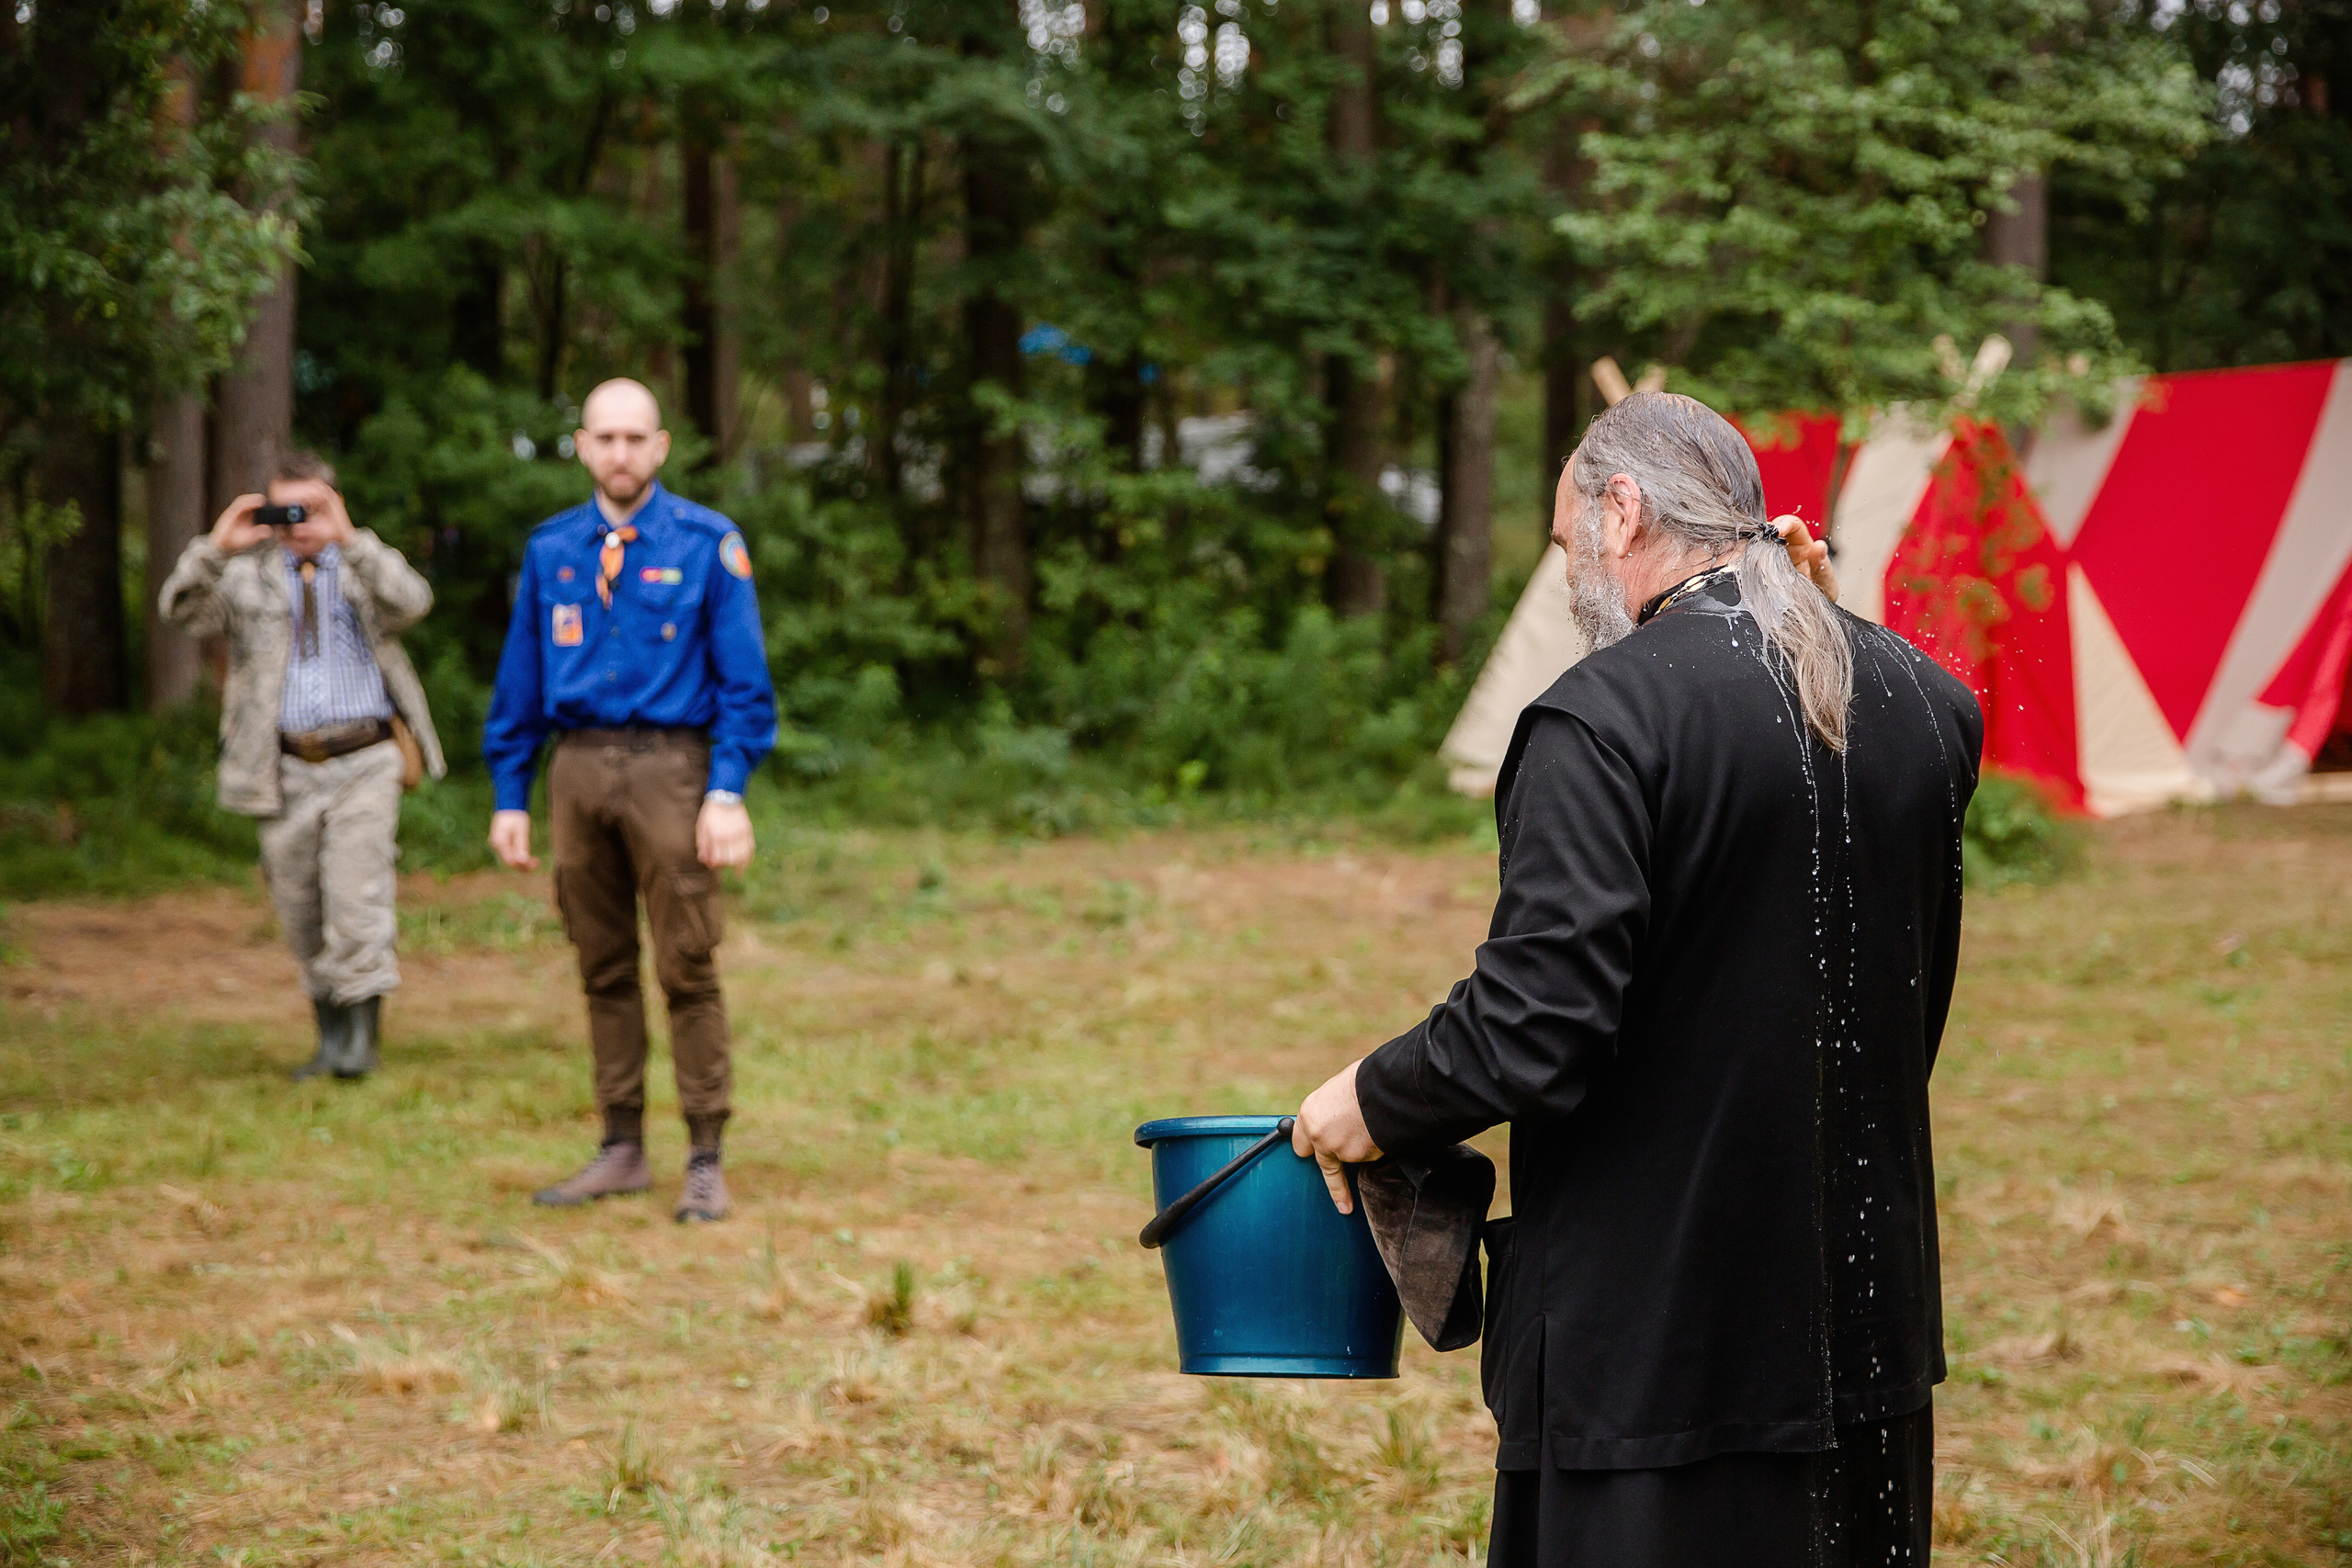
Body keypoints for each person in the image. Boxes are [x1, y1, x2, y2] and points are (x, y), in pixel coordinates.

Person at [1291, 391, 1982, 1566]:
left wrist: (1367, 1097)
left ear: (1620, 512)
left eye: (1567, 544)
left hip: (1656, 1355)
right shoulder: (1929, 704)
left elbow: (1534, 1023)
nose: (1570, 581)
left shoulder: (1600, 719)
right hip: (1863, 1333)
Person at [483, 378, 777, 1224]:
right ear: (580, 444)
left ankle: (705, 1154)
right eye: (604, 437)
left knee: (686, 961)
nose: (619, 452)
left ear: (660, 447)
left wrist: (726, 789)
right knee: (601, 964)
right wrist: (512, 793)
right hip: (575, 770)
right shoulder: (552, 551)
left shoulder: (707, 544)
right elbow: (520, 683)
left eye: (634, 437)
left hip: (671, 769)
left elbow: (745, 684)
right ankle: (620, 1145)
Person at [159, 450, 447, 1081]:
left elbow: (415, 602)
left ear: (335, 504)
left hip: (364, 758)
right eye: (286, 508)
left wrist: (352, 539)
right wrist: (215, 545)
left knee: (357, 895)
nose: (299, 523)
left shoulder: (362, 568)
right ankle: (330, 1035)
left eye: (311, 507)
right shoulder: (247, 578)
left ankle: (360, 1044)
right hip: (281, 767)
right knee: (300, 905)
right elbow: (179, 611)